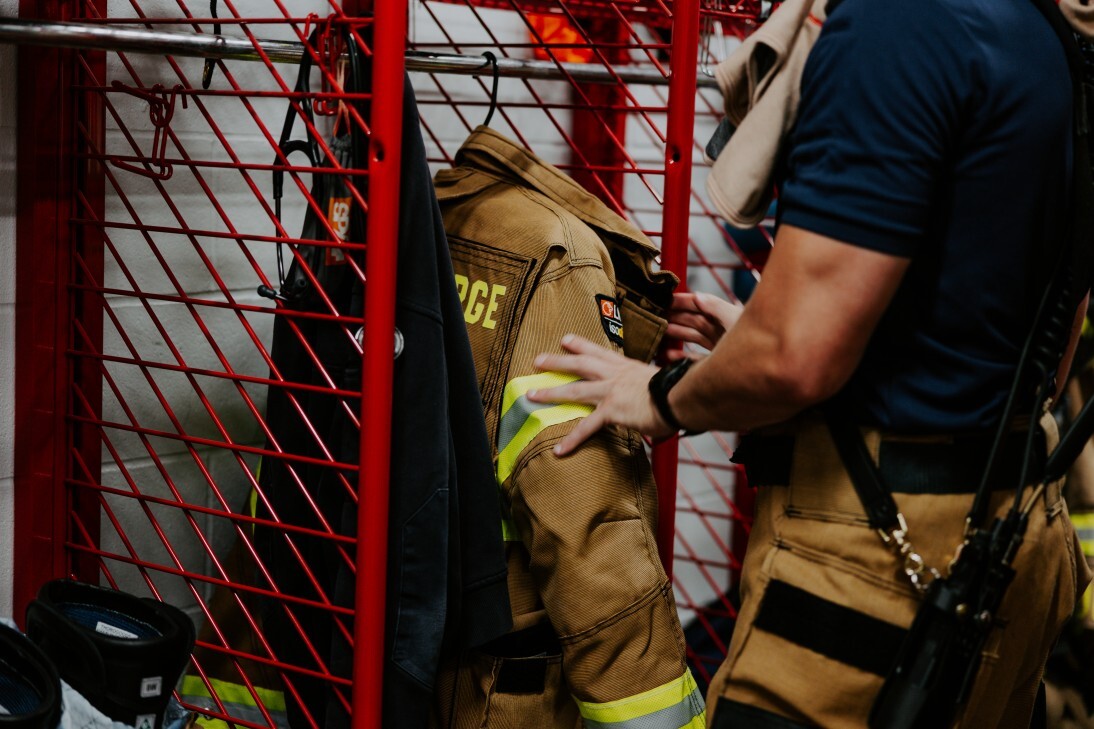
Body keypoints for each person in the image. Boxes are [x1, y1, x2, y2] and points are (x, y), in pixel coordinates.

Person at [528, 0, 1093, 726]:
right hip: (1013, 535)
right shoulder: (1045, 31)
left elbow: (796, 358)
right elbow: (1045, 339)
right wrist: (768, 336)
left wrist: (661, 394)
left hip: (876, 559)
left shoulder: (901, 22)